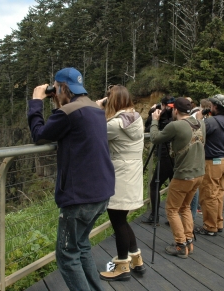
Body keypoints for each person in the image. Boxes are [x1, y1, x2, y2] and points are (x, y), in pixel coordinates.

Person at [27, 67, 115, 291]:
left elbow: (39, 135)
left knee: (66, 255)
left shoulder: (69, 112)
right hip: (102, 191)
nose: (54, 93)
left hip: (80, 197)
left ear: (62, 88)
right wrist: (57, 99)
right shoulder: (95, 110)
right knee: (82, 245)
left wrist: (37, 101)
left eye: (55, 89)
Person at [94, 85, 146, 281]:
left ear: (113, 101)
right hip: (131, 174)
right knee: (122, 220)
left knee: (118, 222)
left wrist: (98, 108)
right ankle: (136, 260)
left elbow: (93, 131)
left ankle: (122, 267)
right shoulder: (137, 118)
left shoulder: (116, 124)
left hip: (120, 176)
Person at [150, 97, 206, 258]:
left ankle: (180, 245)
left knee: (172, 210)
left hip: (184, 174)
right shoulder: (200, 123)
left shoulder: (175, 125)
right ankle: (188, 240)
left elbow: (155, 138)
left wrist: (155, 120)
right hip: (199, 173)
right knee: (185, 207)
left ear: (175, 110)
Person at [195, 94, 224, 236]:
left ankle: (210, 227)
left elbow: (196, 135)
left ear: (216, 107)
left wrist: (199, 120)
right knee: (218, 194)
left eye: (211, 105)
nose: (210, 107)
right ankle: (218, 222)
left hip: (212, 163)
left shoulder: (212, 122)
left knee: (208, 195)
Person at [142, 95, 176, 225]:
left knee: (154, 185)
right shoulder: (174, 119)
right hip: (174, 156)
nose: (168, 110)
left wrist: (153, 116)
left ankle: (154, 216)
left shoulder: (165, 121)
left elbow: (149, 130)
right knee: (173, 185)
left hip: (166, 156)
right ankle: (172, 216)